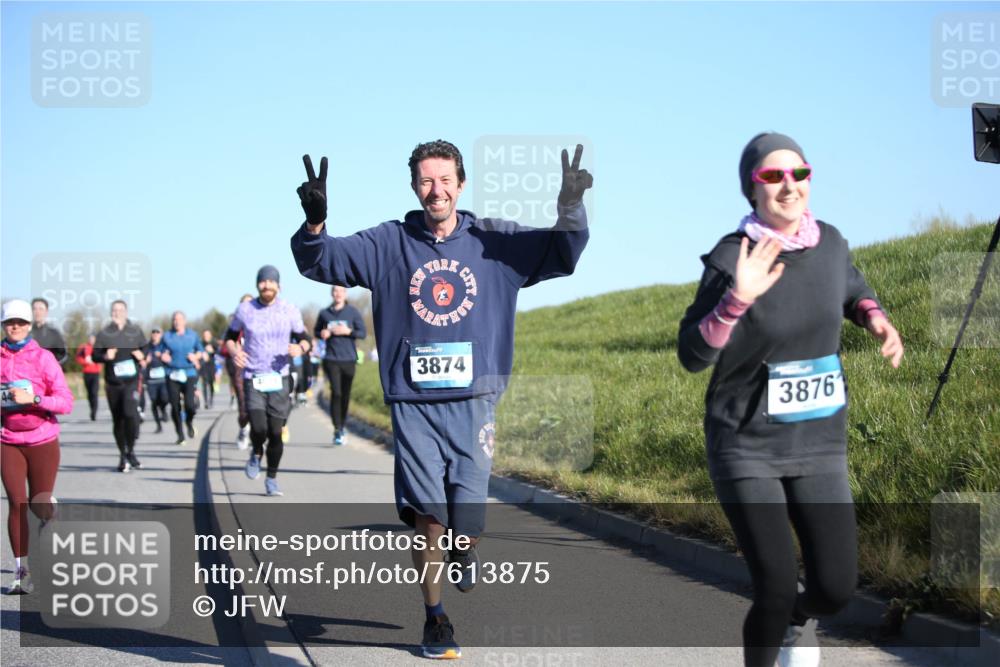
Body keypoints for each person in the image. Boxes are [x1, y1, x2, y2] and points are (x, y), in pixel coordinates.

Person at [290, 140, 592, 659]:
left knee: (465, 527)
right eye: (427, 181)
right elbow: (324, 261)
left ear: (461, 183)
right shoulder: (389, 243)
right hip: (414, 405)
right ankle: (435, 619)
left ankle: (465, 546)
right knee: (429, 518)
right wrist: (315, 225)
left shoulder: (495, 241)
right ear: (414, 186)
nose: (437, 190)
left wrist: (570, 206)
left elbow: (561, 253)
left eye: (445, 179)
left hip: (475, 402)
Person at [677, 133, 904, 667]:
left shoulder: (831, 242)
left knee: (835, 587)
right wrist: (736, 301)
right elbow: (692, 354)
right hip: (745, 443)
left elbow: (850, 285)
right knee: (776, 586)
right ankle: (776, 628)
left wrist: (874, 315)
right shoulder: (733, 257)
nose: (788, 186)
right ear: (751, 190)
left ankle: (795, 624)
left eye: (798, 173)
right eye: (772, 176)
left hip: (818, 441)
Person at [1, 299, 73, 594]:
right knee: (17, 503)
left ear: (29, 325)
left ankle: (50, 514)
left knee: (38, 503)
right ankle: (21, 572)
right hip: (8, 441)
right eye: (9, 322)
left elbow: (65, 402)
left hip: (43, 439)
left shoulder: (43, 358)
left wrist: (35, 400)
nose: (14, 327)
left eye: (20, 322)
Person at [224, 266, 310, 497]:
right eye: (263, 281)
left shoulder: (289, 310)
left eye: (271, 282)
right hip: (253, 376)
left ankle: (271, 478)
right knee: (259, 427)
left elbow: (305, 339)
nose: (267, 285)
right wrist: (234, 352)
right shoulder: (245, 309)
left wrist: (300, 347)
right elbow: (230, 338)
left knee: (275, 431)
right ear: (257, 285)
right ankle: (255, 453)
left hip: (279, 377)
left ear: (279, 286)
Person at [92, 300, 147, 472]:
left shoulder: (135, 331)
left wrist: (141, 354)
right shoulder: (104, 333)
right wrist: (106, 356)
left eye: (120, 310)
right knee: (118, 420)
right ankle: (123, 454)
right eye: (114, 310)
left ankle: (130, 449)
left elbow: (146, 349)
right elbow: (95, 355)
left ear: (126, 312)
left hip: (131, 381)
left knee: (130, 415)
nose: (117, 313)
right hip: (113, 383)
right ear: (111, 313)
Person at [315, 285, 367, 445]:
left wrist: (348, 332)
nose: (338, 294)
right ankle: (337, 428)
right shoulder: (325, 313)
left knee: (345, 394)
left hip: (349, 359)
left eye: (341, 291)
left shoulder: (352, 312)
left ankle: (342, 425)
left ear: (345, 294)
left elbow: (362, 333)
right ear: (332, 294)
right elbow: (316, 331)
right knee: (336, 393)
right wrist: (322, 333)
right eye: (335, 291)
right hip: (331, 358)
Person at [160, 311, 204, 446]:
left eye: (179, 319)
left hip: (189, 373)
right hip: (172, 373)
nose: (177, 322)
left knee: (190, 405)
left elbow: (201, 351)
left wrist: (196, 356)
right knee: (175, 406)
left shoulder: (192, 335)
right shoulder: (167, 336)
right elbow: (160, 351)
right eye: (174, 319)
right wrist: (163, 356)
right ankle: (180, 434)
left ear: (184, 321)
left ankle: (189, 422)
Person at [223, 294, 254, 449]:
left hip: (260, 368)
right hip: (241, 368)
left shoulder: (264, 320)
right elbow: (225, 346)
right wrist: (236, 352)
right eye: (244, 304)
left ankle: (258, 433)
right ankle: (243, 428)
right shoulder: (236, 325)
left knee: (259, 405)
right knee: (243, 402)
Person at [144, 328, 170, 433]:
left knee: (164, 399)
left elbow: (170, 358)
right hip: (151, 380)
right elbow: (142, 360)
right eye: (153, 332)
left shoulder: (165, 346)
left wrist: (164, 357)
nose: (155, 334)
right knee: (154, 402)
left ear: (161, 334)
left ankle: (163, 410)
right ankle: (158, 425)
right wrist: (146, 360)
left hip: (163, 379)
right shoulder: (147, 347)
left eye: (157, 332)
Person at [30, 298, 67, 365]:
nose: (37, 312)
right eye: (34, 309)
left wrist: (50, 366)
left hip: (47, 373)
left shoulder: (54, 334)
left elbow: (63, 355)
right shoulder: (24, 333)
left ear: (46, 311)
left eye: (41, 309)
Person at [74, 334, 102, 421]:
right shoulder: (83, 347)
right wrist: (85, 362)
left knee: (94, 392)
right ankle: (91, 408)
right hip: (87, 373)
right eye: (90, 338)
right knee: (90, 393)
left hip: (96, 373)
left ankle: (94, 412)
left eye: (93, 339)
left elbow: (103, 358)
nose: (92, 340)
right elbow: (78, 358)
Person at [200, 329, 219, 410]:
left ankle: (211, 400)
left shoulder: (214, 343)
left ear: (210, 336)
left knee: (211, 384)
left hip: (211, 366)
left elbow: (219, 354)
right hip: (203, 366)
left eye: (207, 335)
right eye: (204, 335)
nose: (206, 337)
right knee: (204, 384)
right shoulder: (200, 344)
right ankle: (206, 401)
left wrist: (213, 351)